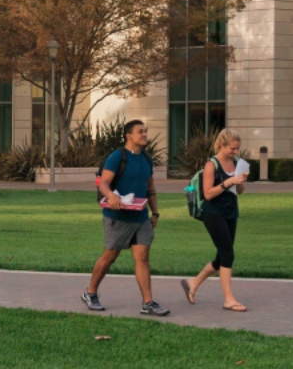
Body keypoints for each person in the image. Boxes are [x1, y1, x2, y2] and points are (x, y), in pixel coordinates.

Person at [83, 119, 168, 317]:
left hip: (141, 216)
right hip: (117, 216)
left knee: (143, 257)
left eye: (145, 131)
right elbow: (103, 183)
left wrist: (155, 213)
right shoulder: (117, 156)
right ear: (129, 135)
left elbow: (150, 188)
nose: (144, 135)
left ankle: (148, 303)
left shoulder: (147, 158)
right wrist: (111, 195)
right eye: (140, 132)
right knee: (110, 256)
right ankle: (90, 293)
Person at [184, 130, 247, 312]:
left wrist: (240, 181)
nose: (235, 152)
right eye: (232, 149)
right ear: (222, 145)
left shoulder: (236, 163)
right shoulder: (212, 165)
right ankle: (229, 299)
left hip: (230, 212)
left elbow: (240, 191)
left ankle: (193, 282)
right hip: (213, 213)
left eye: (237, 149)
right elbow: (208, 194)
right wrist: (227, 183)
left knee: (222, 258)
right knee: (228, 254)